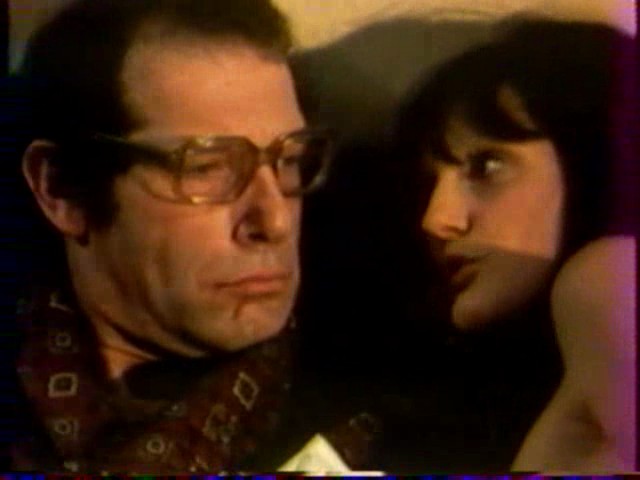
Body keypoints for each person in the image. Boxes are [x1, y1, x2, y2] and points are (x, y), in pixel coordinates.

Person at [0, 0, 383, 473]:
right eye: (207, 167)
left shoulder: (381, 411)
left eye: (289, 160)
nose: (276, 222)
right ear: (62, 190)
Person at [391, 18, 636, 472]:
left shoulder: (609, 275)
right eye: (428, 183)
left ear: (593, 163)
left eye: (486, 167)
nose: (437, 219)